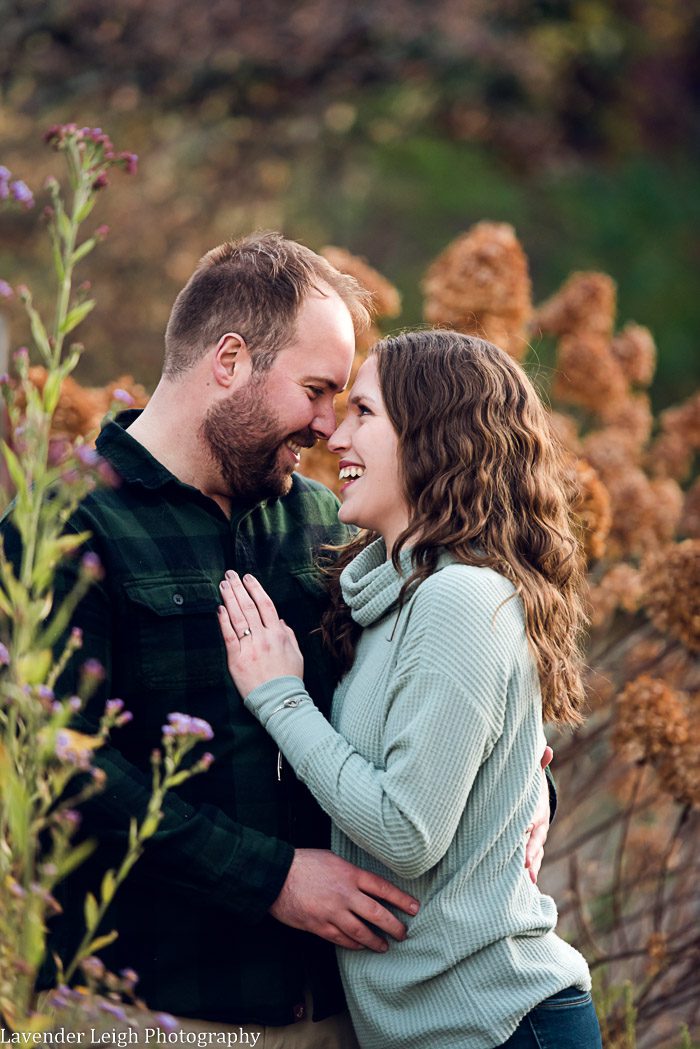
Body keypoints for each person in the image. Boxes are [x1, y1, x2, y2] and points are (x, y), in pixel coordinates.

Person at [4, 234, 552, 1042]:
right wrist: (273, 878)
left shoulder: (327, 527)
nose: (328, 426)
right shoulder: (63, 527)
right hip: (143, 1011)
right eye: (317, 390)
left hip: (337, 1013)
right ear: (230, 360)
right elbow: (53, 763)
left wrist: (527, 794)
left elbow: (451, 688)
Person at [218, 331, 603, 1049]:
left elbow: (406, 831)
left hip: (499, 1023)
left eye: (364, 412)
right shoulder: (390, 597)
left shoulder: (460, 598)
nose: (335, 436)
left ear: (434, 437)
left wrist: (280, 697)